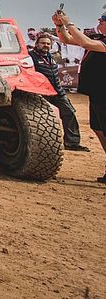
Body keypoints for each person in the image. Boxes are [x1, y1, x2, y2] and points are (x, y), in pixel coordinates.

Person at [53, 10, 106, 183]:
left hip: (103, 92)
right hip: (97, 92)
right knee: (98, 129)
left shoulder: (99, 43)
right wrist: (59, 25)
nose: (99, 20)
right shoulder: (99, 39)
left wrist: (69, 23)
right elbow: (67, 40)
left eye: (103, 19)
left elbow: (85, 42)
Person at [30, 33, 88, 151]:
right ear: (37, 44)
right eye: (43, 43)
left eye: (48, 43)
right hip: (41, 93)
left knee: (69, 113)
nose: (45, 45)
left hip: (58, 92)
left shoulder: (51, 57)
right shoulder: (30, 57)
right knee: (43, 119)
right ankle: (42, 146)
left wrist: (60, 90)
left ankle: (72, 143)